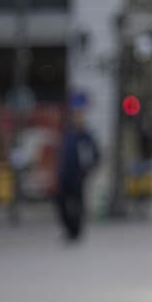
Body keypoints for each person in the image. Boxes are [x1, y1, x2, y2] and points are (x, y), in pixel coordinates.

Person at [53, 100, 99, 244]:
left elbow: (95, 156)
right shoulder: (68, 133)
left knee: (78, 205)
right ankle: (70, 229)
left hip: (78, 176)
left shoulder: (86, 136)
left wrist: (86, 171)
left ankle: (76, 232)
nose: (77, 118)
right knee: (60, 202)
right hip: (64, 176)